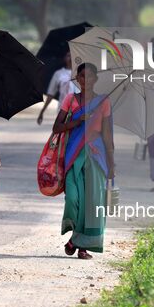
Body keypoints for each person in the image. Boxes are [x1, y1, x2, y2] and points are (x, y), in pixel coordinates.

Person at [52, 63, 114, 259]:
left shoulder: (103, 102)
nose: (86, 80)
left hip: (96, 156)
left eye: (90, 76)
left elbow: (107, 135)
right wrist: (77, 121)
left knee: (92, 203)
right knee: (73, 199)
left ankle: (80, 245)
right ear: (77, 79)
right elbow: (57, 127)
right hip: (73, 155)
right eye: (82, 76)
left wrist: (111, 164)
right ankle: (75, 239)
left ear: (96, 79)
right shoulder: (70, 100)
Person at [37, 51, 80, 125]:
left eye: (73, 56)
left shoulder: (81, 73)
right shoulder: (58, 74)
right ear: (64, 58)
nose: (70, 58)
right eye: (68, 56)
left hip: (79, 109)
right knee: (63, 133)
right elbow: (51, 93)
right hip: (63, 109)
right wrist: (42, 111)